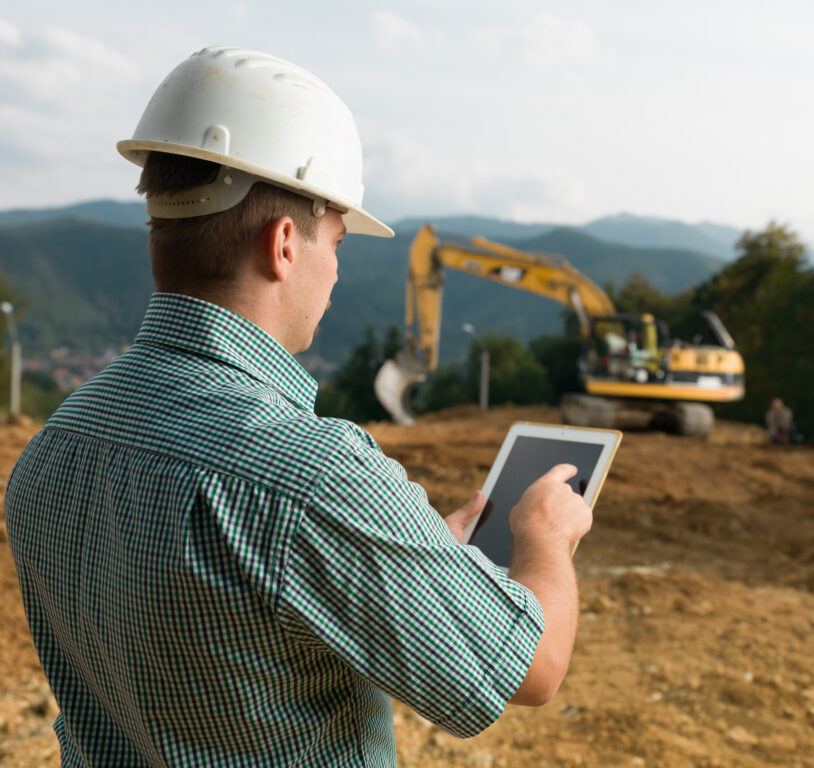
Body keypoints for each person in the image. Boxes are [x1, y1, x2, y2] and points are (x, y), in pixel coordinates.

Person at [5, 46, 592, 767]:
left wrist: (390, 552)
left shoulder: (57, 443)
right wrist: (544, 537)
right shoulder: (316, 477)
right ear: (284, 243)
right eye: (337, 242)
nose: (338, 272)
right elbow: (531, 667)